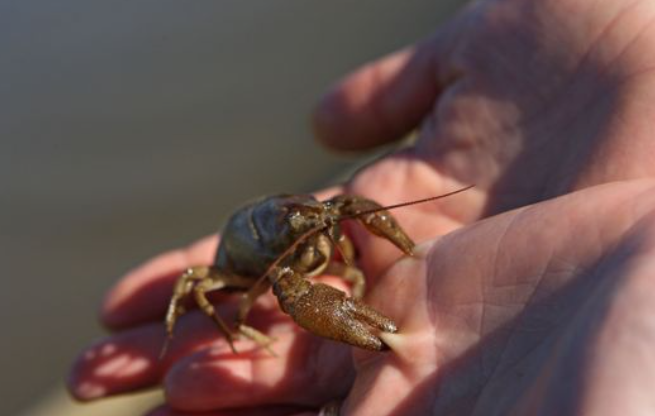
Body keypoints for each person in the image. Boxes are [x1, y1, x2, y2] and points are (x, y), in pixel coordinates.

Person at [68, 0, 655, 414]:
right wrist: (240, 315)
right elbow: (259, 285)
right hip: (243, 264)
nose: (320, 222)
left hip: (284, 237)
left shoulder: (309, 219)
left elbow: (343, 212)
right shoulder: (258, 267)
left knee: (339, 212)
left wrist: (374, 253)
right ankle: (230, 324)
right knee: (192, 285)